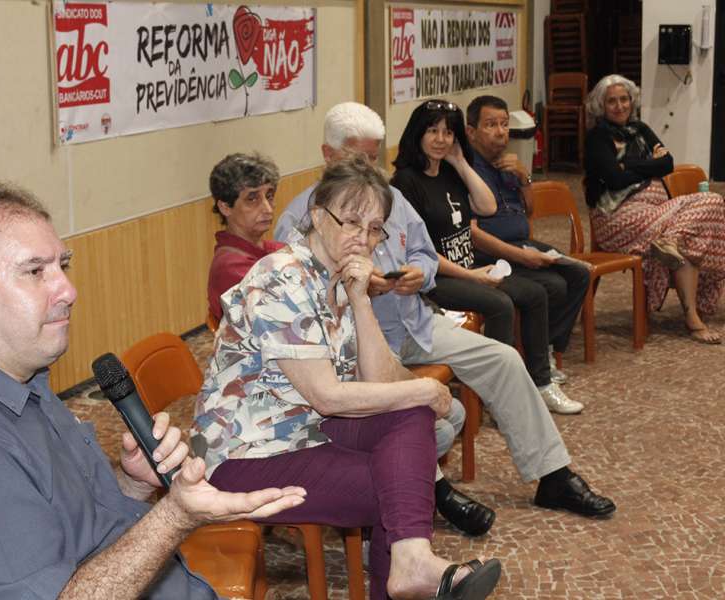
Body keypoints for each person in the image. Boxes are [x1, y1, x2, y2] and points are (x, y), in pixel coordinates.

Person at [0, 183, 305, 599]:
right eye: (35, 272)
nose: (68, 291)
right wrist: (174, 516)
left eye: (62, 266)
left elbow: (70, 529)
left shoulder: (20, 377)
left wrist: (131, 484)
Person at [275, 102, 616, 537]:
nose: (368, 167)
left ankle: (553, 475)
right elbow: (300, 299)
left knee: (504, 359)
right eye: (356, 157)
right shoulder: (302, 216)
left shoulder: (392, 198)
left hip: (415, 322)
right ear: (328, 154)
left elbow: (422, 251)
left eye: (373, 156)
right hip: (354, 345)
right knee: (432, 413)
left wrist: (420, 273)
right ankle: (432, 491)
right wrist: (354, 287)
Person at [193, 157, 503, 600]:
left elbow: (379, 384)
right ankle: (410, 566)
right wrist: (428, 387)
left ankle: (411, 564)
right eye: (352, 221)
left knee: (407, 423)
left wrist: (359, 300)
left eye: (375, 227)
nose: (364, 237)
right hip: (244, 455)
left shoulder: (338, 277)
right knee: (399, 494)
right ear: (318, 217)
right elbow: (327, 396)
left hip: (303, 432)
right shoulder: (281, 278)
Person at [462, 95, 589, 411]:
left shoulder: (508, 163)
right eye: (491, 125)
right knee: (552, 286)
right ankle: (539, 372)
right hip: (493, 256)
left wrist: (524, 178)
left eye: (504, 124)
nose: (501, 132)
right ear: (471, 131)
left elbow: (529, 210)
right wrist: (522, 258)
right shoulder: (466, 170)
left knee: (579, 272)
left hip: (522, 244)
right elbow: (471, 235)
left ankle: (546, 346)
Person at [585, 74, 725, 344]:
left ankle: (670, 241)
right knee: (701, 219)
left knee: (712, 202)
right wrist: (646, 164)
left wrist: (628, 166)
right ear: (601, 106)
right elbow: (614, 179)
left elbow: (668, 164)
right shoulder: (597, 138)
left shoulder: (640, 129)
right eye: (611, 101)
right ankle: (692, 317)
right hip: (619, 219)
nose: (619, 106)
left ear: (632, 101)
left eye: (624, 99)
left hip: (656, 212)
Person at [207, 152, 286, 321]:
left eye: (269, 196)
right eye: (252, 199)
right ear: (225, 207)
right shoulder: (230, 268)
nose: (268, 209)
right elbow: (279, 318)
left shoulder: (275, 249)